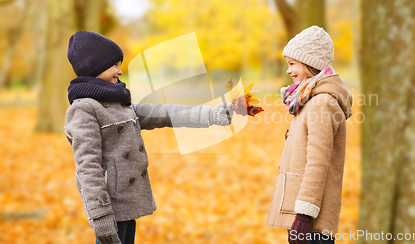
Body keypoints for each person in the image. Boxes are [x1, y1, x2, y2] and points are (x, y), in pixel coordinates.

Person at [64, 31, 233, 244]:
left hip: (128, 202)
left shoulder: (120, 102)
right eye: (114, 65)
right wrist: (100, 215)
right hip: (110, 207)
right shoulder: (84, 109)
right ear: (95, 68)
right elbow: (88, 167)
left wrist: (210, 114)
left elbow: (164, 113)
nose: (120, 70)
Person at [266, 26, 353, 244]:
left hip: (311, 220)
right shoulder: (309, 101)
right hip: (302, 215)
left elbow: (318, 163)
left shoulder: (322, 103)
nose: (288, 70)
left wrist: (304, 215)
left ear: (310, 64)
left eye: (292, 63)